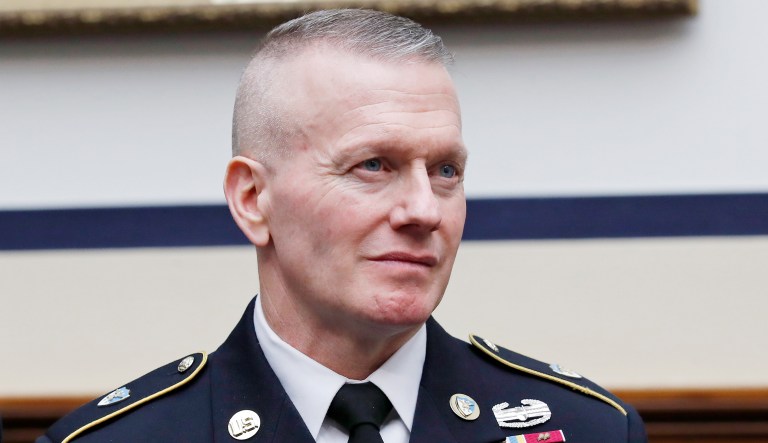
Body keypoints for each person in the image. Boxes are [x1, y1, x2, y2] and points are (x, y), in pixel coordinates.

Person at [39, 9, 646, 443]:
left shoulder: (588, 428)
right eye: (373, 166)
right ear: (253, 199)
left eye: (445, 171)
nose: (423, 211)